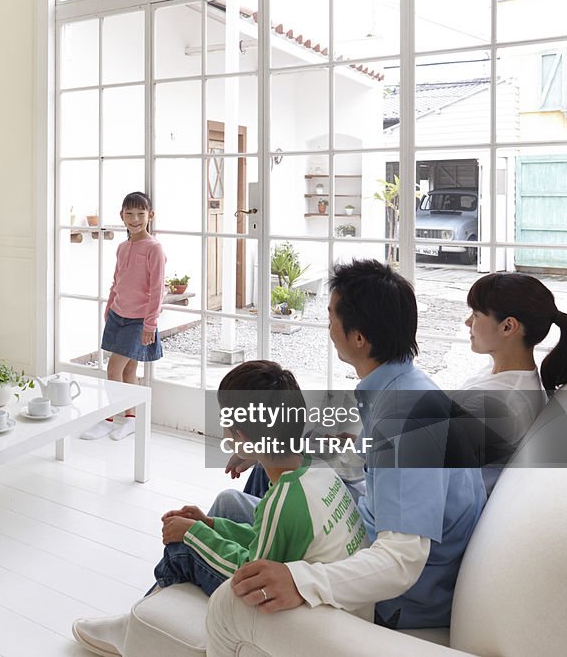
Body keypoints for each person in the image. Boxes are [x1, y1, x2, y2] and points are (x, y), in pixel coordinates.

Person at [207, 260, 487, 650]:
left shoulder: (406, 419)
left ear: (359, 337)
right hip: (373, 534)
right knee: (257, 483)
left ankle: (165, 607)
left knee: (224, 511)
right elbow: (363, 464)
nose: (327, 328)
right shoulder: (404, 387)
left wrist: (302, 581)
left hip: (394, 599)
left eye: (330, 317)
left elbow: (401, 560)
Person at [71, 361, 367, 656]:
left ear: (242, 438)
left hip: (308, 619)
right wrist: (212, 525)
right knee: (204, 527)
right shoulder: (314, 471)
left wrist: (195, 534)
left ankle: (135, 629)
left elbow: (250, 573)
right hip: (342, 604)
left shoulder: (285, 501)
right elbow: (265, 539)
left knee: (181, 551)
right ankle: (140, 619)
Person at [457, 272, 567, 495]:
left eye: (476, 315)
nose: (467, 322)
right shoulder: (515, 378)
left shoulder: (496, 402)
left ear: (508, 326)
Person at [81, 192, 166, 441]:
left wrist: (150, 324)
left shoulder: (155, 249)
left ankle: (108, 419)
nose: (135, 219)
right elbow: (117, 281)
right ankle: (131, 419)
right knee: (128, 372)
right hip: (118, 315)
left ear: (150, 216)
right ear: (122, 216)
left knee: (113, 369)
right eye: (129, 214)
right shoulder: (122, 247)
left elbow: (157, 289)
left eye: (141, 214)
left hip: (138, 321)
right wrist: (109, 307)